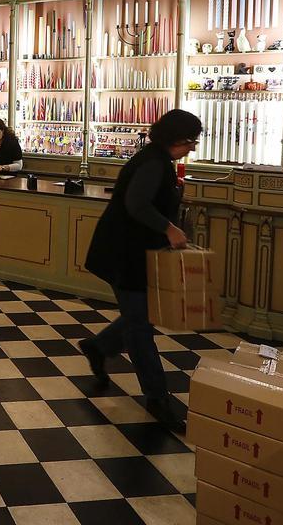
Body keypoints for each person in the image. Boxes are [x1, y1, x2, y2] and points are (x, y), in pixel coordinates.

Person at [79, 109, 201, 433]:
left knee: (140, 316)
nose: (192, 148)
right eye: (190, 141)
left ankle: (98, 347)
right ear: (176, 139)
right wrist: (169, 228)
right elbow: (136, 204)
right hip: (124, 254)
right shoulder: (153, 164)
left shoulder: (158, 160)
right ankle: (158, 399)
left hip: (128, 252)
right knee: (140, 327)